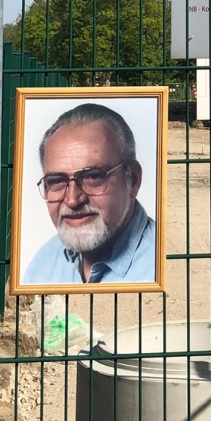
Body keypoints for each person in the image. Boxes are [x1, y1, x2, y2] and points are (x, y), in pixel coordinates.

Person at [22, 103, 155, 285]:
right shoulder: (45, 263)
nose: (73, 199)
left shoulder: (161, 266)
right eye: (56, 181)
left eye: (92, 177)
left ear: (132, 179)